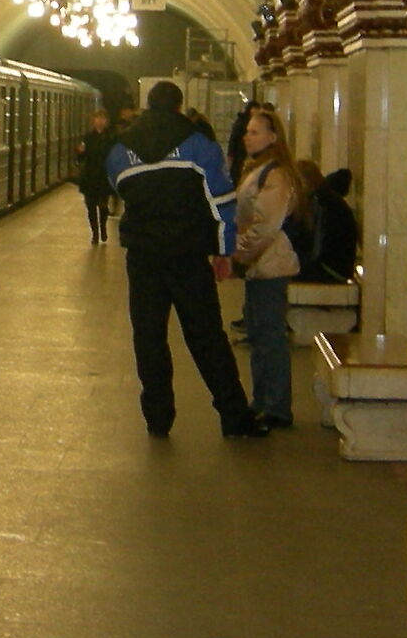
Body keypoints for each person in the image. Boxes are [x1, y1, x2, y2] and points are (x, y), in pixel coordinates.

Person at [104, 82, 268, 440]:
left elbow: (118, 188)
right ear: (179, 107)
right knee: (206, 336)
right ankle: (234, 416)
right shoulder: (198, 144)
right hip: (188, 255)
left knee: (149, 338)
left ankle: (158, 418)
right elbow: (222, 201)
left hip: (144, 257)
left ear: (149, 106)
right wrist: (224, 251)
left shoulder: (121, 149)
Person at [233, 106, 308, 427]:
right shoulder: (260, 169)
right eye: (247, 132)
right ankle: (262, 399)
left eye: (255, 132)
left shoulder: (275, 174)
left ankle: (276, 406)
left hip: (270, 263)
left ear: (273, 137)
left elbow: (265, 224)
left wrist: (241, 252)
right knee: (260, 335)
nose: (247, 137)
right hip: (261, 264)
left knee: (270, 337)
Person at [300, 164, 360, 284]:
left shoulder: (321, 203)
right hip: (340, 267)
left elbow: (316, 245)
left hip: (331, 269)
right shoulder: (329, 199)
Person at [74, 109, 117, 244]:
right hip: (90, 176)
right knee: (90, 206)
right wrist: (80, 152)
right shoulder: (87, 137)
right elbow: (82, 157)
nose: (100, 121)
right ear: (93, 121)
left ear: (106, 121)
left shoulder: (111, 137)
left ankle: (103, 227)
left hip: (104, 176)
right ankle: (95, 234)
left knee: (103, 206)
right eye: (97, 118)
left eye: (102, 118)